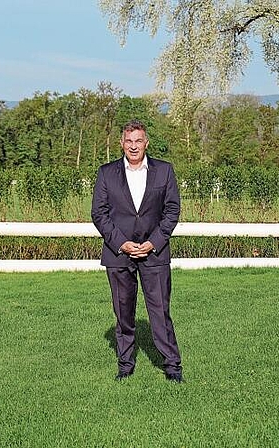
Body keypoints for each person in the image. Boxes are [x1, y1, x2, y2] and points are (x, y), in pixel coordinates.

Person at [91, 119, 183, 383]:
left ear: (146, 143)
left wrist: (154, 241)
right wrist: (121, 242)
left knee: (160, 312)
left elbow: (172, 210)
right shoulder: (106, 173)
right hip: (118, 254)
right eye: (129, 141)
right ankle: (125, 365)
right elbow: (99, 213)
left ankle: (173, 367)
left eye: (138, 141)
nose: (133, 146)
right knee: (123, 313)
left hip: (155, 254)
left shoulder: (164, 171)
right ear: (122, 143)